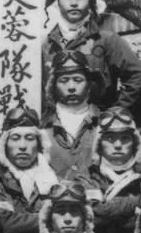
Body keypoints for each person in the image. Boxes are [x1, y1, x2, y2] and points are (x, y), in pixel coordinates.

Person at [44, 0, 141, 113]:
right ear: (57, 0)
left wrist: (115, 112)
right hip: (57, 123)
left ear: (90, 0)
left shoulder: (106, 40)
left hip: (96, 123)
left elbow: (139, 75)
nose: (74, 3)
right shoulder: (47, 45)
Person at [0, 105, 59, 233]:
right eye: (15, 138)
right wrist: (51, 218)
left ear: (39, 143)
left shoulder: (53, 179)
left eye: (30, 138)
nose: (22, 146)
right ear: (5, 144)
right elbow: (5, 223)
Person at [43, 51, 103, 181]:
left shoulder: (104, 124)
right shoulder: (42, 127)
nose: (71, 87)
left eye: (78, 80)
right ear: (53, 86)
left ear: (89, 85)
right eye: (63, 81)